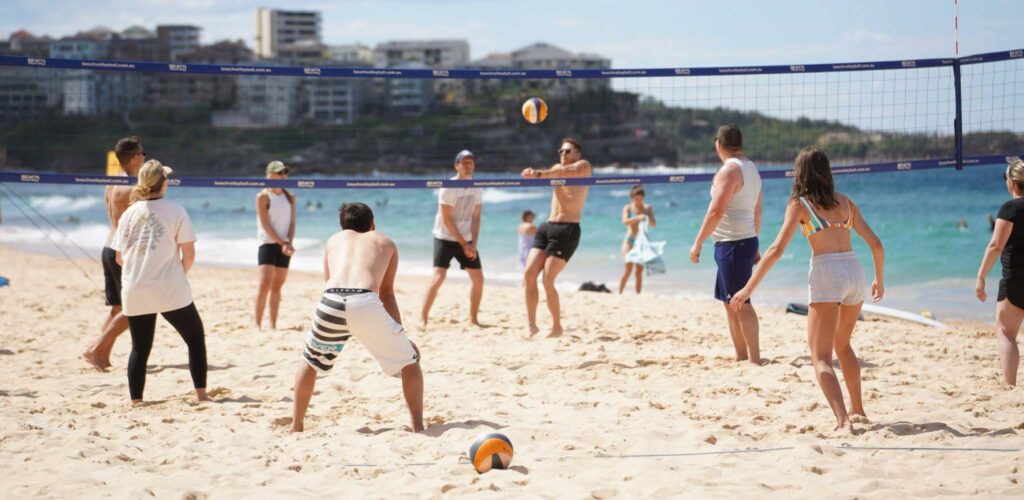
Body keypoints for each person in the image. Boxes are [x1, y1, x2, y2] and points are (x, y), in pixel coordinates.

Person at [730, 147, 884, 433]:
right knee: (844, 345)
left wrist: (747, 287)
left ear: (800, 174)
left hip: (827, 273)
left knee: (820, 357)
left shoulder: (800, 205)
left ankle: (843, 420)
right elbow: (876, 244)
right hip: (854, 271)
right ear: (827, 172)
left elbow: (776, 250)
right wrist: (879, 280)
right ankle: (858, 408)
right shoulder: (846, 203)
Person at [292, 202, 424, 433]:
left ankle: (297, 426)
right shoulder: (385, 241)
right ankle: (418, 426)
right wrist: (401, 335)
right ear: (372, 225)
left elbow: (329, 283)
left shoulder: (333, 241)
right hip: (364, 302)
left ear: (343, 227)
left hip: (331, 301)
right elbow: (386, 294)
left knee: (310, 361)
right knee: (409, 360)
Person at [112, 160, 208, 404]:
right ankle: (201, 396)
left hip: (135, 287)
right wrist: (177, 273)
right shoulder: (176, 210)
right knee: (195, 339)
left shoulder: (129, 214)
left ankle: (137, 401)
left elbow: (119, 258)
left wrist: (142, 270)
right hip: (168, 287)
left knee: (139, 348)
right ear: (163, 183)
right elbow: (190, 256)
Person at [690, 125, 764, 365]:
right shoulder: (751, 168)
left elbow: (716, 211)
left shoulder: (729, 171)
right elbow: (758, 208)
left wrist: (698, 242)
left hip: (734, 243)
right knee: (730, 302)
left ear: (718, 144)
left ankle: (755, 359)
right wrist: (755, 239)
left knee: (740, 302)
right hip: (740, 241)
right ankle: (742, 356)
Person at [83, 136, 146, 371]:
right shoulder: (131, 188)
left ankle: (100, 354)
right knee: (133, 308)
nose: (144, 157)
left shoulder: (111, 182)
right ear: (134, 157)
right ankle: (96, 348)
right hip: (122, 252)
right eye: (142, 154)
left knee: (118, 308)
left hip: (108, 247)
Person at [521, 138, 592, 337]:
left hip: (568, 230)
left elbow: (566, 171)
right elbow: (554, 172)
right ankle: (532, 324)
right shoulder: (557, 169)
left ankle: (556, 326)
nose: (563, 154)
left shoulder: (583, 167)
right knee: (528, 275)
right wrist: (533, 174)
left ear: (577, 154)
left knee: (547, 280)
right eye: (561, 151)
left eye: (568, 151)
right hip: (548, 226)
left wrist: (539, 173)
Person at [420, 150, 485, 328]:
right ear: (456, 165)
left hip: (467, 239)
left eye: (470, 162)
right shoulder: (448, 185)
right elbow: (447, 219)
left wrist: (473, 244)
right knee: (438, 278)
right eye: (463, 162)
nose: (467, 165)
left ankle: (473, 319)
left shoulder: (477, 186)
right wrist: (464, 244)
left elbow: (476, 216)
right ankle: (423, 318)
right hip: (445, 237)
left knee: (478, 279)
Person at [975, 159, 1024, 386]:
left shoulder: (1010, 208)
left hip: (1016, 278)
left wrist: (981, 276)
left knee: (1006, 333)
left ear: (1013, 183)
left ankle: (1010, 386)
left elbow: (996, 245)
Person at [254, 161, 297, 331]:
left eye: (285, 173)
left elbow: (292, 223)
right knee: (264, 284)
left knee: (277, 286)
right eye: (280, 173)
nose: (283, 176)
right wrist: (283, 242)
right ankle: (257, 324)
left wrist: (290, 243)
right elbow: (265, 224)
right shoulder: (263, 196)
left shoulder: (290, 196)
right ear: (270, 175)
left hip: (285, 245)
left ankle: (273, 324)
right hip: (267, 243)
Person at [619, 184, 656, 294]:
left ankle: (637, 295)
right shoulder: (628, 208)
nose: (638, 201)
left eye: (640, 199)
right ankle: (620, 293)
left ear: (643, 198)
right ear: (632, 198)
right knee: (628, 269)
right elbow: (625, 221)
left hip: (642, 243)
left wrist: (647, 218)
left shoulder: (648, 208)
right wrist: (637, 218)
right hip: (629, 241)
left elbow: (654, 224)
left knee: (639, 271)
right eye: (635, 199)